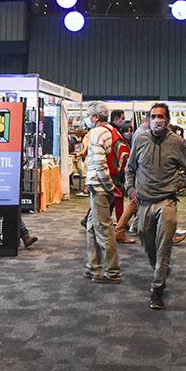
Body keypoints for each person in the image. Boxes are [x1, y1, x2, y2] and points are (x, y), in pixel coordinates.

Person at [124, 103, 186, 310]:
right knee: (146, 241)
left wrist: (181, 183)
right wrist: (130, 189)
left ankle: (157, 289)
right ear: (149, 118)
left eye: (161, 116)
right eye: (154, 116)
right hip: (144, 202)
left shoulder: (177, 142)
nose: (158, 119)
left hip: (167, 201)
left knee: (164, 245)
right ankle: (161, 269)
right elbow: (130, 169)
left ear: (168, 119)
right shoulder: (139, 139)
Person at [83, 101, 122, 284]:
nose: (87, 118)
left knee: (104, 229)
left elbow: (99, 163)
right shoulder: (111, 131)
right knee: (92, 227)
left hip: (99, 187)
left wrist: (108, 186)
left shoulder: (98, 132)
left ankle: (111, 272)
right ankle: (93, 267)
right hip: (100, 186)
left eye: (89, 115)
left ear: (96, 117)